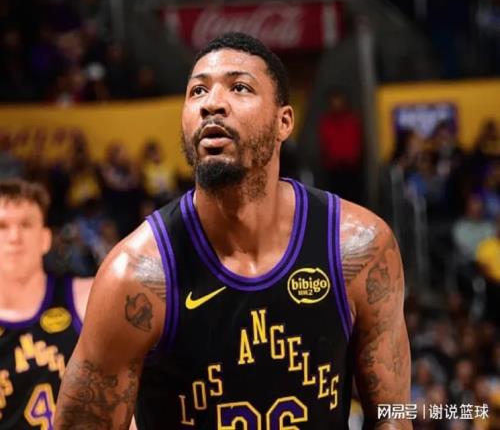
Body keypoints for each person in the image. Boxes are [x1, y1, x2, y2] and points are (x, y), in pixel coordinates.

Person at [54, 32, 411, 429]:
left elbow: (395, 417)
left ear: (284, 122)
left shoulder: (359, 247)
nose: (212, 103)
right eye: (197, 91)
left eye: (239, 87)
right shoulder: (134, 277)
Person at [0, 178, 93, 428]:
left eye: (26, 224)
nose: (15, 237)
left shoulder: (88, 299)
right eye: (2, 226)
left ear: (45, 238)